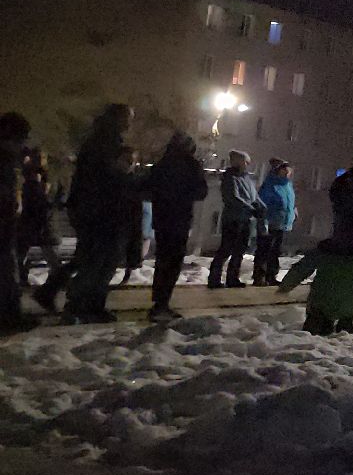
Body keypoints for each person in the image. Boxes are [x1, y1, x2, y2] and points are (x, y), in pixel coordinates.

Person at [62, 105, 135, 320]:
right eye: (129, 118)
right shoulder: (104, 143)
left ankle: (91, 305)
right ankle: (78, 305)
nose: (130, 123)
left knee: (104, 262)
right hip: (101, 212)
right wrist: (123, 174)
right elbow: (100, 177)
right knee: (97, 261)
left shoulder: (104, 140)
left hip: (102, 211)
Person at [278, 209, 353, 335]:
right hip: (351, 304)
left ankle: (318, 323)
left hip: (321, 302)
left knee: (318, 316)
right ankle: (347, 321)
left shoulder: (325, 248)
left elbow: (302, 268)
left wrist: (285, 287)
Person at [143, 132, 208, 321]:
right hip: (180, 218)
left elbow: (150, 188)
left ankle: (159, 301)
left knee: (163, 260)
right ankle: (162, 303)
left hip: (163, 218)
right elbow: (201, 191)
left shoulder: (162, 164)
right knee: (172, 262)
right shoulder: (191, 165)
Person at [17, 147, 64, 310]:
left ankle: (27, 281)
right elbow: (38, 204)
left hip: (36, 223)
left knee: (23, 254)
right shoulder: (31, 179)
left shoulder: (38, 178)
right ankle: (42, 291)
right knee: (51, 259)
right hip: (37, 224)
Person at [208, 150, 263, 289]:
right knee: (226, 249)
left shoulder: (246, 178)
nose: (247, 165)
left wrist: (261, 207)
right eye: (245, 162)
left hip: (246, 219)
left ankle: (233, 278)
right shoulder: (230, 178)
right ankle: (214, 278)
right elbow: (233, 198)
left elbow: (254, 196)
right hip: (233, 218)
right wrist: (251, 208)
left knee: (240, 250)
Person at [0, 113, 33, 332]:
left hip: (6, 223)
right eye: (20, 140)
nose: (22, 145)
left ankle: (11, 315)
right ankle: (9, 317)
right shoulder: (4, 161)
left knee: (8, 269)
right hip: (3, 224)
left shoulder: (8, 161)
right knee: (5, 270)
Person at [253, 159, 296, 285]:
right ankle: (259, 276)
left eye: (289, 171)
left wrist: (293, 212)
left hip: (281, 223)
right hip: (270, 222)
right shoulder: (270, 185)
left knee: (275, 251)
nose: (288, 173)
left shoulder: (287, 185)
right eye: (285, 171)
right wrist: (264, 222)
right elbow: (263, 204)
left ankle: (271, 275)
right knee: (264, 249)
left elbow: (289, 202)